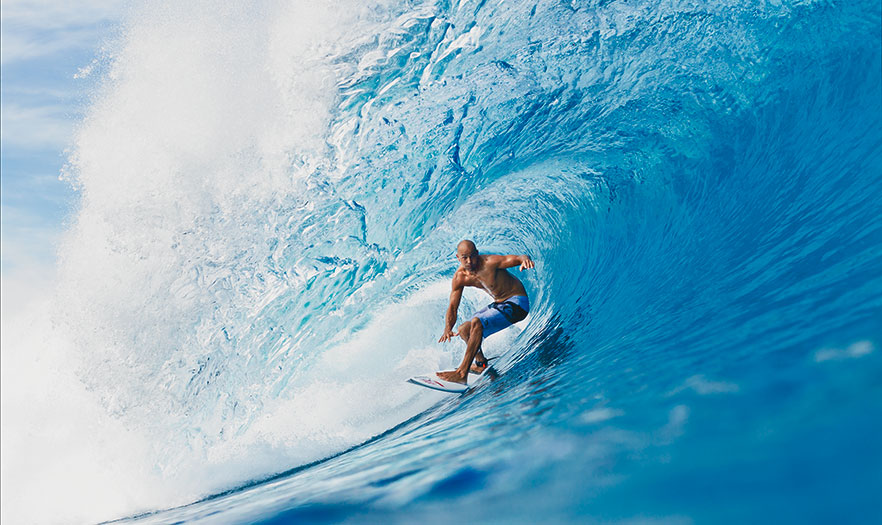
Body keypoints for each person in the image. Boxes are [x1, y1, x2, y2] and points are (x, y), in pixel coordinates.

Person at [436, 239, 534, 384]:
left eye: (472, 256)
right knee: (464, 329)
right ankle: (481, 363)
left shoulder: (490, 263)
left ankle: (462, 373)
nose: (469, 261)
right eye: (464, 258)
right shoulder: (460, 277)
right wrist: (447, 328)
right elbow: (452, 306)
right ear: (458, 258)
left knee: (477, 322)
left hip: (518, 303)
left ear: (477, 253)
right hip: (500, 304)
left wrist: (525, 260)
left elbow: (517, 258)